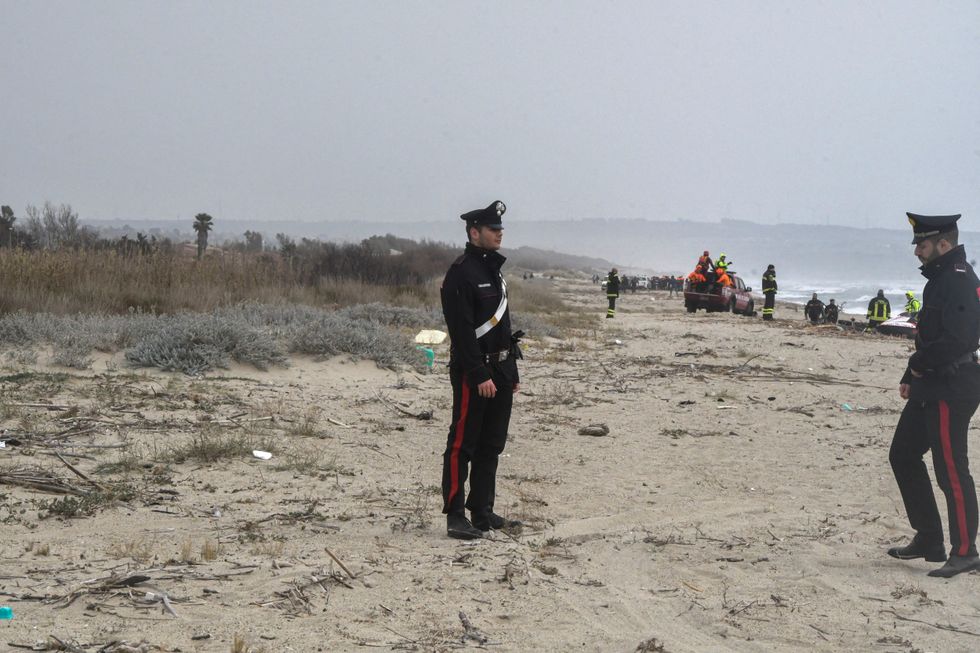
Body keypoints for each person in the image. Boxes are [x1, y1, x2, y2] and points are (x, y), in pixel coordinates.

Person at [888, 212, 980, 577]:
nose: (917, 252)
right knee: (903, 454)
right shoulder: (940, 279)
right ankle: (929, 537)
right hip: (930, 381)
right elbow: (929, 333)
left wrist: (920, 363)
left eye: (921, 245)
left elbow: (961, 340)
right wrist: (911, 373)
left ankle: (965, 550)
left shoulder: (958, 281)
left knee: (951, 470)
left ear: (944, 243)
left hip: (953, 385)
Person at [440, 200, 523, 540]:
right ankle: (456, 514)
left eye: (501, 228)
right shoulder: (461, 273)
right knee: (463, 443)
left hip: (501, 370)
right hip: (474, 373)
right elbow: (460, 331)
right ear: (475, 233)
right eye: (493, 229)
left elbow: (503, 325)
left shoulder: (494, 271)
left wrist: (511, 370)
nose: (499, 233)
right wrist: (478, 374)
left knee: (492, 444)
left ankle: (482, 510)